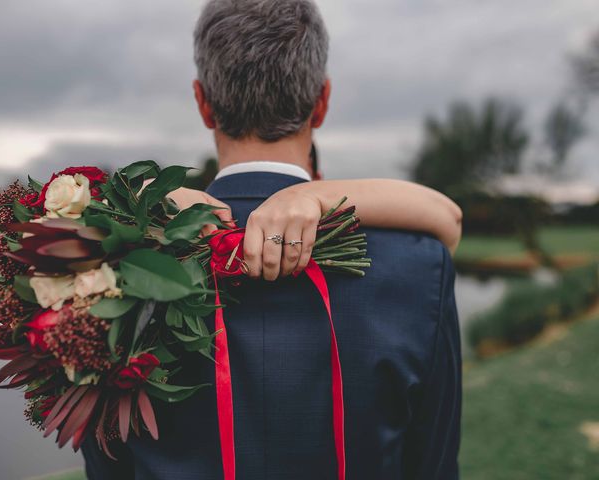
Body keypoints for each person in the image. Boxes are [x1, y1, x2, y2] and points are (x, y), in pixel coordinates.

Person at [82, 0, 462, 478]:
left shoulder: (108, 267)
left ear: (203, 102)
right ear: (321, 102)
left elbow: (107, 465)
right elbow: (434, 464)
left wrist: (137, 195)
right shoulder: (419, 263)